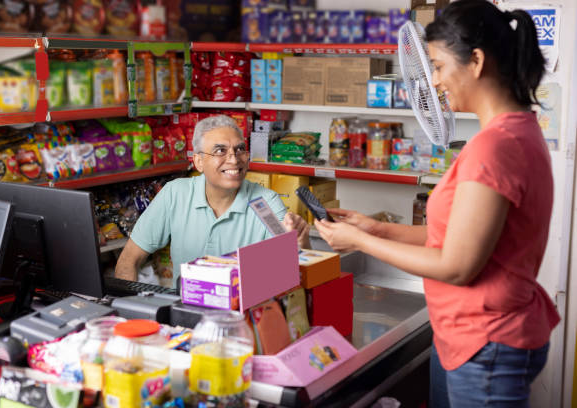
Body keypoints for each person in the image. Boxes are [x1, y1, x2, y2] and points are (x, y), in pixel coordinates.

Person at [315, 1, 560, 407]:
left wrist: (360, 243)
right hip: (484, 337)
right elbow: (454, 236)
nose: (434, 81)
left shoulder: (493, 147)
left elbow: (457, 265)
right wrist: (375, 228)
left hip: (485, 344)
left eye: (440, 66)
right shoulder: (518, 131)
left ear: (477, 61)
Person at [116, 114, 310, 286]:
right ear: (198, 162)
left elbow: (294, 268)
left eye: (240, 149)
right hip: (184, 311)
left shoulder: (265, 203)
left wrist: (301, 243)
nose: (234, 160)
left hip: (242, 316)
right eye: (220, 151)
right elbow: (128, 260)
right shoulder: (175, 194)